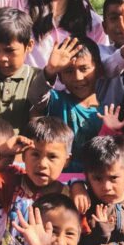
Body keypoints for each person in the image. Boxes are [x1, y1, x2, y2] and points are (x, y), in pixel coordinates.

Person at [0, 117, 78, 245]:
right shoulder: (13, 183)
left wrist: (78, 184)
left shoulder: (70, 197)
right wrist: (1, 151)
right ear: (24, 155)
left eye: (52, 157)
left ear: (66, 161)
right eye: (35, 154)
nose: (42, 164)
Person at [0, 7, 51, 131]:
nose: (2, 58)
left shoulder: (36, 77)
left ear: (29, 46)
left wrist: (51, 71)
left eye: (9, 50)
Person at [38, 37, 104, 176]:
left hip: (94, 184)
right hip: (57, 180)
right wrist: (49, 71)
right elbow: (36, 97)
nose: (78, 77)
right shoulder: (56, 100)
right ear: (60, 76)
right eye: (68, 71)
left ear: (98, 69)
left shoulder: (108, 113)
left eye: (84, 68)